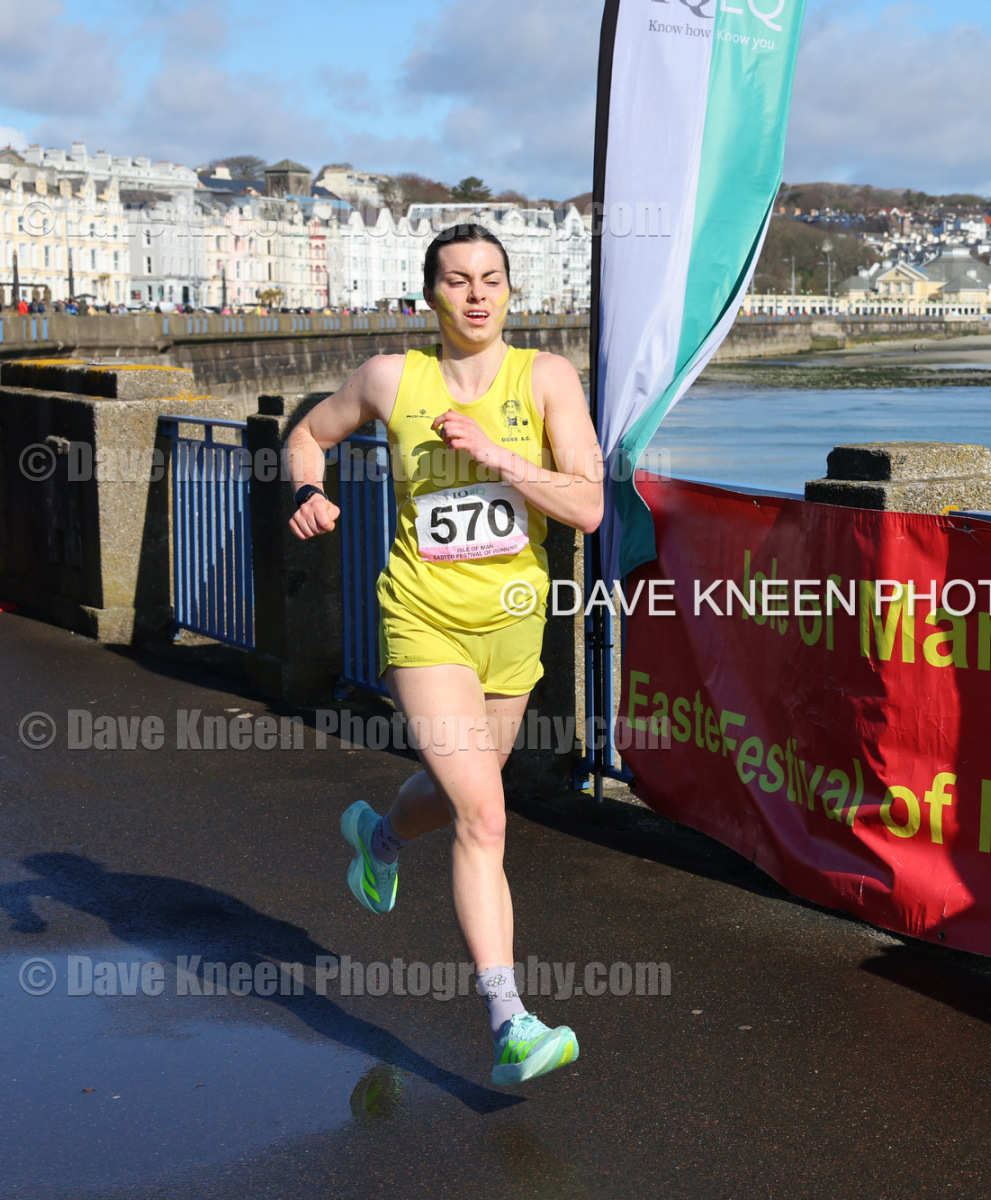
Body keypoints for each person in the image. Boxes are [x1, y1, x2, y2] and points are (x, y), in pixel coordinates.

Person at [285, 224, 604, 1086]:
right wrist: (309, 488)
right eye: (458, 279)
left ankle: (379, 837)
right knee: (485, 817)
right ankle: (511, 1022)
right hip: (422, 621)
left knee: (467, 792)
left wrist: (501, 457)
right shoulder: (393, 378)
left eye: (491, 279)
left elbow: (588, 506)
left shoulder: (546, 378)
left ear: (510, 292)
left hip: (512, 628)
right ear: (431, 294)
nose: (476, 294)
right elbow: (307, 434)